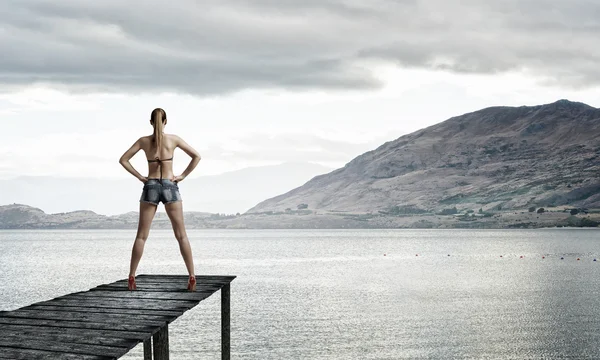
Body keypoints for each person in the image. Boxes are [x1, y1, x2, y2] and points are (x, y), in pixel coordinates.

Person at [119, 108, 201, 291]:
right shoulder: (174, 139)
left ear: (150, 122)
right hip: (170, 186)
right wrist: (182, 175)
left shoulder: (143, 141)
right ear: (166, 121)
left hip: (151, 186)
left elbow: (123, 160)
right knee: (181, 235)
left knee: (141, 236)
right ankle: (192, 276)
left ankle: (131, 276)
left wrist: (140, 177)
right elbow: (197, 156)